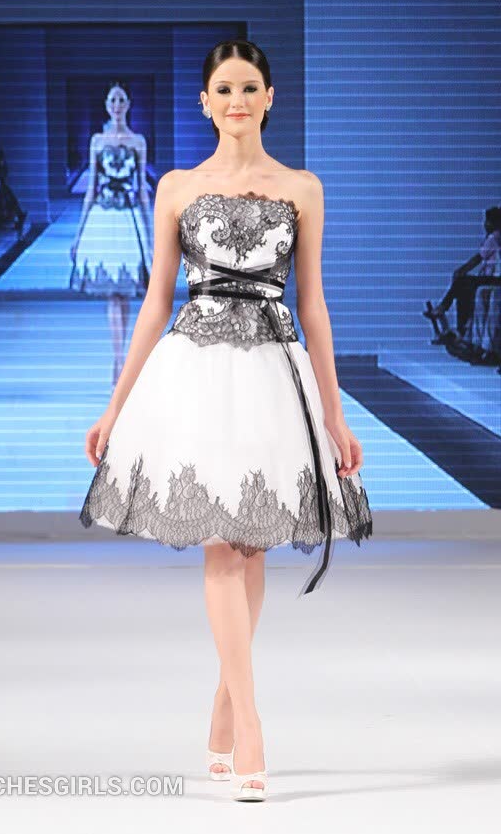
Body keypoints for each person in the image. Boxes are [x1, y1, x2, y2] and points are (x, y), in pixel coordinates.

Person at [77, 39, 373, 802]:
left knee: (251, 540)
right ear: (204, 103)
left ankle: (221, 706)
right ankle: (250, 725)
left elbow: (312, 305)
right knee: (218, 538)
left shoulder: (301, 188)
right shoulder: (177, 186)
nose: (236, 100)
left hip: (273, 370)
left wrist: (334, 415)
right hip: (197, 370)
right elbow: (155, 302)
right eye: (223, 89)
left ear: (268, 97)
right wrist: (115, 404)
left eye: (248, 87)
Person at [70, 81, 153, 384]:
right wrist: (78, 235)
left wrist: (151, 237)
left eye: (121, 99)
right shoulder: (97, 141)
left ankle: (121, 359)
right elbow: (91, 189)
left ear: (128, 104)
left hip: (128, 219)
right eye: (112, 100)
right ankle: (118, 359)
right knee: (113, 294)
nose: (116, 105)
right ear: (106, 105)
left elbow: (142, 191)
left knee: (124, 293)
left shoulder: (138, 142)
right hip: (103, 219)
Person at [423, 207, 501, 364]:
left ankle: (446, 311)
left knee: (462, 281)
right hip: (491, 278)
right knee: (464, 287)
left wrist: (461, 270)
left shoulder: (495, 237)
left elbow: (477, 258)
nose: (485, 224)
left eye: (488, 221)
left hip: (494, 279)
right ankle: (462, 330)